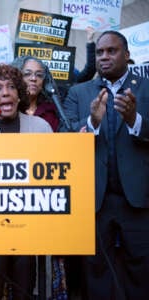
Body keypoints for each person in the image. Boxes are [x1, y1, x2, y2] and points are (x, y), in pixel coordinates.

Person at [60, 30, 149, 300]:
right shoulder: (79, 92)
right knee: (97, 272)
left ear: (127, 55)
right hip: (95, 201)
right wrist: (92, 123)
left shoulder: (146, 87)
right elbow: (65, 140)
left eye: (111, 51)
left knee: (142, 272)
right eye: (99, 52)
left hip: (139, 199)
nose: (104, 57)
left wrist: (135, 120)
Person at [0, 64, 52, 300]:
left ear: (20, 94)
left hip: (30, 228)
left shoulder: (41, 128)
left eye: (11, 87)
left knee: (27, 288)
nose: (5, 93)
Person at [12, 56, 60, 132]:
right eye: (27, 74)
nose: (34, 78)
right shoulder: (7, 109)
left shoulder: (51, 112)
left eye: (39, 75)